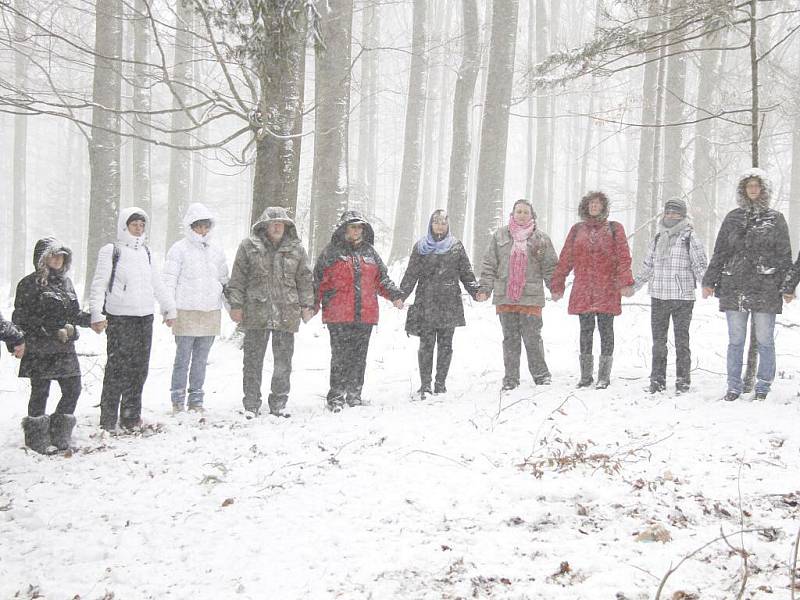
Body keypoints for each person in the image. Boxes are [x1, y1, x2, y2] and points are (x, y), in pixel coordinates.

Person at [702, 168, 792, 401]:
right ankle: (733, 385)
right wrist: (709, 280)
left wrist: (788, 285)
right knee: (736, 340)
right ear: (743, 190)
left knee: (765, 340)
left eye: (756, 185)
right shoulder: (733, 217)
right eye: (749, 186)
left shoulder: (775, 219)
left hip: (766, 286)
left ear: (763, 190)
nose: (753, 189)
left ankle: (763, 386)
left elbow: (784, 255)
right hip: (735, 285)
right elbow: (720, 250)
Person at [89, 207, 176, 431]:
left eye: (141, 225)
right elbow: (99, 283)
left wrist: (168, 308)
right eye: (134, 225)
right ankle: (108, 419)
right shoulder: (112, 251)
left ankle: (130, 416)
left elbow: (157, 283)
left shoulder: (146, 252)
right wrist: (96, 313)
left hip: (144, 317)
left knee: (139, 369)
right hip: (119, 318)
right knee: (117, 368)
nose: (138, 229)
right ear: (124, 226)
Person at [226, 207, 314, 418]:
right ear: (264, 226)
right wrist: (236, 306)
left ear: (286, 226)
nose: (277, 226)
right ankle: (251, 403)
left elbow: (304, 280)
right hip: (256, 310)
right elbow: (237, 279)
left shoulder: (297, 249)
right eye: (273, 223)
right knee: (252, 360)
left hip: (287, 310)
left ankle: (279, 402)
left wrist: (307, 305)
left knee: (284, 361)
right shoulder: (248, 247)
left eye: (281, 223)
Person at [314, 210, 404, 412]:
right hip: (338, 315)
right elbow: (318, 282)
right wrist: (312, 305)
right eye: (352, 226)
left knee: (359, 356)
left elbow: (381, 280)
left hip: (365, 315)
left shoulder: (370, 253)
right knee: (339, 356)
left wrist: (395, 295)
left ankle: (354, 394)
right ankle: (336, 396)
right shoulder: (331, 253)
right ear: (344, 229)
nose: (356, 231)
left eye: (359, 227)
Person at [12, 238, 91, 453]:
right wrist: (49, 330)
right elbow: (21, 318)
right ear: (42, 258)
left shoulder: (66, 283)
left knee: (73, 388)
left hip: (64, 348)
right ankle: (36, 438)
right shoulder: (28, 284)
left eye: (62, 256)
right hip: (39, 348)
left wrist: (91, 321)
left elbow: (73, 314)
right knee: (40, 392)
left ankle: (59, 433)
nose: (58, 259)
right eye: (53, 255)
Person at [551, 191, 634, 389]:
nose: (594, 206)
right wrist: (557, 284)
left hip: (608, 288)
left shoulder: (615, 229)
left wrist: (626, 282)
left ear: (604, 207)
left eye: (597, 203)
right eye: (590, 203)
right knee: (585, 331)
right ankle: (586, 375)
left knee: (606, 330)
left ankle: (604, 376)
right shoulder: (577, 230)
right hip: (583, 288)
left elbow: (623, 257)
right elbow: (566, 258)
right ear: (585, 206)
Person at [477, 199, 558, 391]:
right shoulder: (500, 236)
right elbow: (489, 264)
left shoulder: (541, 239)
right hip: (506, 296)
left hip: (531, 296)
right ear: (512, 214)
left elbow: (551, 266)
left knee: (532, 337)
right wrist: (485, 288)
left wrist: (555, 287)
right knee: (510, 339)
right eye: (518, 211)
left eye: (525, 212)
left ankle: (540, 375)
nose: (521, 215)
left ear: (532, 215)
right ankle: (511, 378)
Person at [400, 209, 481, 398]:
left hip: (449, 302)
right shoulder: (420, 247)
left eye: (443, 222)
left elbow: (466, 273)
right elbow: (411, 274)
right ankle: (425, 384)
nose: (440, 226)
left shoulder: (456, 246)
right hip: (425, 301)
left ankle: (440, 383)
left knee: (446, 345)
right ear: (430, 224)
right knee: (426, 345)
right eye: (436, 222)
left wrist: (476, 291)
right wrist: (401, 295)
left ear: (448, 225)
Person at [632, 198, 708, 394]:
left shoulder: (690, 237)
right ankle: (657, 381)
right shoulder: (658, 238)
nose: (671, 215)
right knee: (658, 342)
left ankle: (683, 381)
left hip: (682, 298)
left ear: (683, 215)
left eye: (675, 212)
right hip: (658, 296)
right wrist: (634, 286)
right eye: (668, 212)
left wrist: (707, 285)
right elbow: (648, 266)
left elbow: (699, 265)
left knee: (682, 341)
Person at [162, 203, 229, 413]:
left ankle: (196, 399)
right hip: (185, 311)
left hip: (210, 312)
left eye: (206, 226)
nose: (202, 230)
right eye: (198, 226)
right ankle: (177, 398)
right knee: (182, 358)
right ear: (190, 226)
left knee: (201, 360)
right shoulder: (178, 249)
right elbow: (169, 281)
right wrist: (168, 310)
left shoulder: (217, 251)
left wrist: (232, 308)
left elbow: (224, 281)